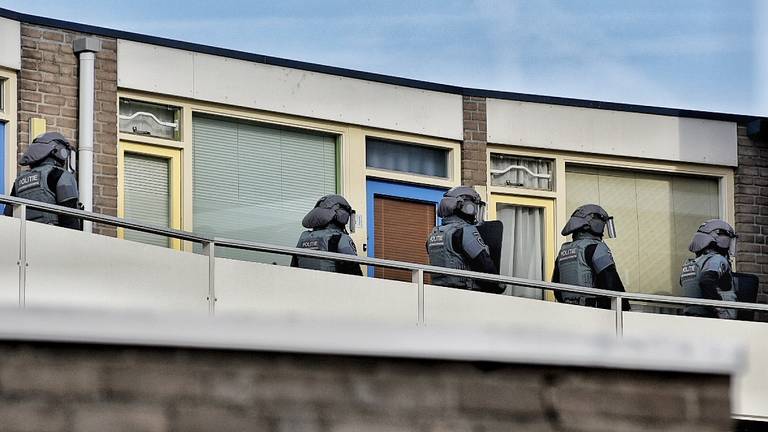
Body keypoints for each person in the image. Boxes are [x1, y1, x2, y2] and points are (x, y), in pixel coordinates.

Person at [426, 186, 504, 294]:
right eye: (475, 207)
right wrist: (500, 286)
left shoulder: (433, 235)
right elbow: (484, 263)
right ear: (466, 207)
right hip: (464, 295)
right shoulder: (465, 232)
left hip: (438, 294)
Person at [552, 204, 629, 310]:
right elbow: (611, 282)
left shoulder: (563, 252)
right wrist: (626, 310)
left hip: (568, 311)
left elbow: (557, 288)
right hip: (593, 314)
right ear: (594, 224)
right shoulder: (596, 248)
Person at [3, 132, 81, 230]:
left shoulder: (20, 180)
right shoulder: (60, 175)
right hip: (51, 235)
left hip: (23, 237)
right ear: (58, 151)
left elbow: (8, 214)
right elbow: (69, 218)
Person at [290, 194, 362, 275]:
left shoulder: (303, 237)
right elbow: (355, 273)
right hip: (332, 285)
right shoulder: (340, 238)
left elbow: (293, 268)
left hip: (304, 285)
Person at [680, 219, 738, 319]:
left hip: (692, 321)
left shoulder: (689, 265)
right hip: (717, 324)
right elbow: (706, 281)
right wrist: (720, 310)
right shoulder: (717, 259)